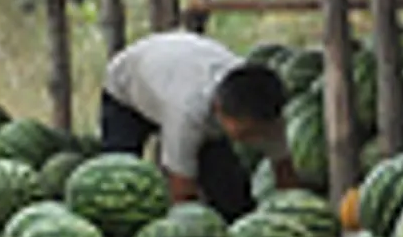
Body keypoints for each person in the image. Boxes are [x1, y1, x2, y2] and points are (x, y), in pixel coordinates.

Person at [99, 30, 295, 218]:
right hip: (127, 88)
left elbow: (285, 173)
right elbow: (182, 192)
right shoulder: (188, 112)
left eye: (259, 133)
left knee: (232, 196)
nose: (254, 139)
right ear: (219, 110)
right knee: (117, 187)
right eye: (247, 133)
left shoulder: (263, 105)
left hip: (179, 69)